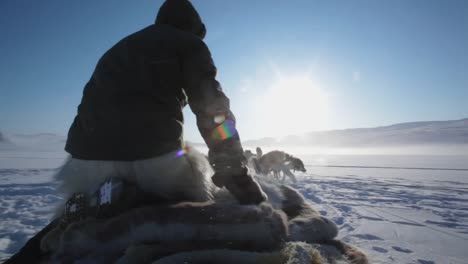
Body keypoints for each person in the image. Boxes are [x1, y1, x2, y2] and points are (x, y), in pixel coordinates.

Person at [62, 0, 266, 205]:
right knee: (199, 179)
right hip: (152, 160)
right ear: (193, 28)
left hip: (83, 162)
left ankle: (102, 201)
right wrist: (235, 172)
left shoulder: (119, 47)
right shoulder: (190, 43)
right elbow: (213, 108)